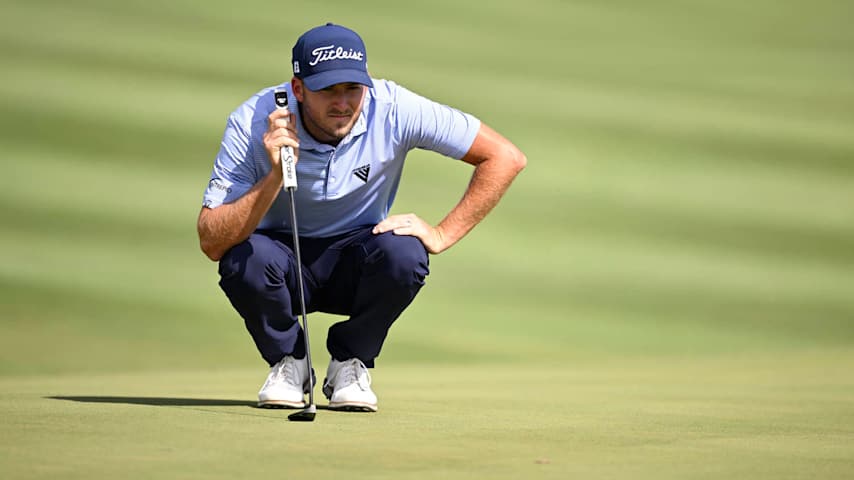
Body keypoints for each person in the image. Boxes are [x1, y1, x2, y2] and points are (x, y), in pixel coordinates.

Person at [197, 23, 526, 412]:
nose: (342, 103)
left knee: (406, 253)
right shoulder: (252, 121)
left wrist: (441, 234)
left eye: (352, 89)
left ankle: (350, 363)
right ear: (298, 89)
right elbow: (212, 242)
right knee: (243, 259)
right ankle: (289, 362)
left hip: (355, 258)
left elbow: (505, 156)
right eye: (327, 91)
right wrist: (274, 174)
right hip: (280, 260)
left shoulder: (393, 107)